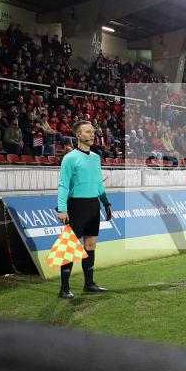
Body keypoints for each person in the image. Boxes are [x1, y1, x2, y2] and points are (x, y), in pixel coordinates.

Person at [56, 120, 112, 299]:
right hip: (76, 206)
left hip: (93, 205)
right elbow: (63, 185)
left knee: (90, 245)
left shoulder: (96, 157)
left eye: (93, 132)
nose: (92, 134)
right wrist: (62, 208)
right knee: (69, 247)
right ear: (78, 135)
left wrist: (106, 203)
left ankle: (89, 284)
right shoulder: (70, 157)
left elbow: (98, 184)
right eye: (88, 132)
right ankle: (64, 288)